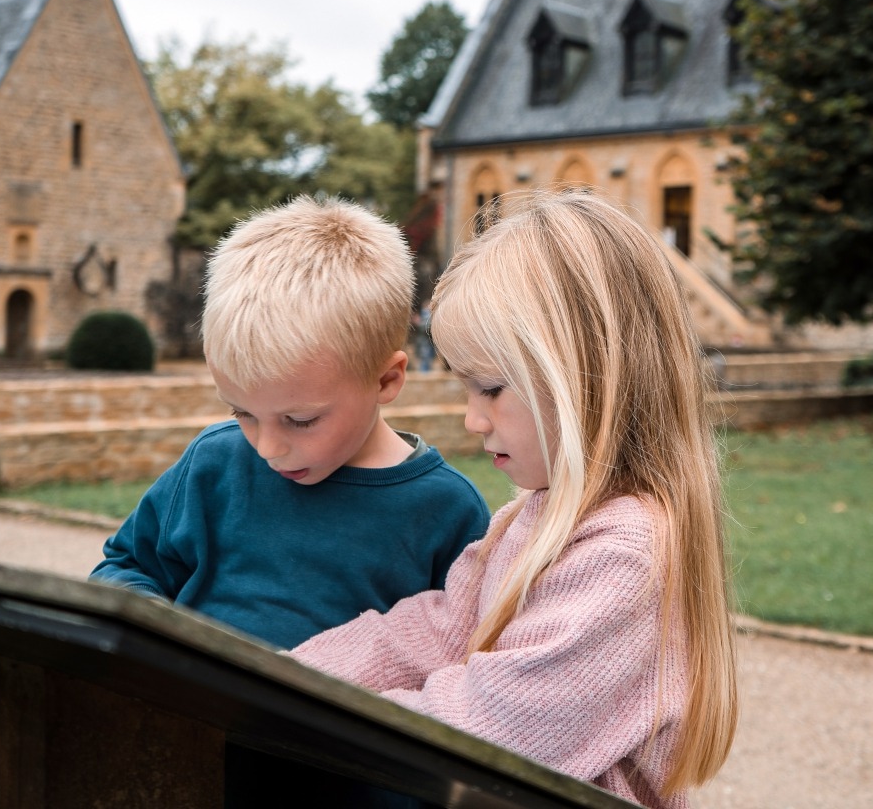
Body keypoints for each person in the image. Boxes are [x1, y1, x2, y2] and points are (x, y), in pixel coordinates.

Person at [293, 189, 739, 809]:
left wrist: (308, 719)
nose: (473, 419)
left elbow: (496, 729)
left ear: (586, 374)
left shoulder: (625, 555)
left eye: (491, 388)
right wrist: (289, 675)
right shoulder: (535, 517)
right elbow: (439, 629)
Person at [90, 195, 491, 652]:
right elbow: (125, 569)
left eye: (300, 420)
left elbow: (462, 656)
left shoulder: (448, 511)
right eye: (241, 413)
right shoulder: (214, 463)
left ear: (386, 380)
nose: (266, 448)